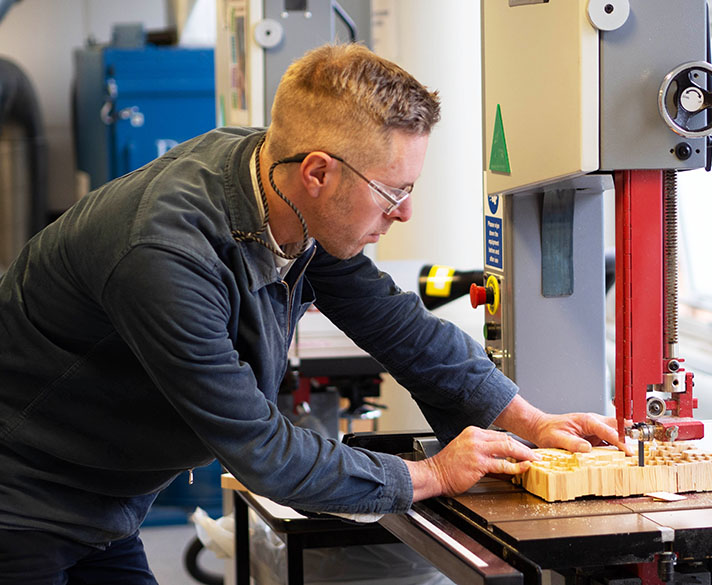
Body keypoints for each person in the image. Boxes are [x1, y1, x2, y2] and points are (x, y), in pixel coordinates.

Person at [0, 43, 626, 583]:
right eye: (394, 191)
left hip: (104, 499)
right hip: (23, 500)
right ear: (319, 172)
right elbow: (264, 452)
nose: (405, 213)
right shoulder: (164, 255)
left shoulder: (278, 187)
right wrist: (430, 474)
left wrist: (531, 421)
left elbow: (394, 322)